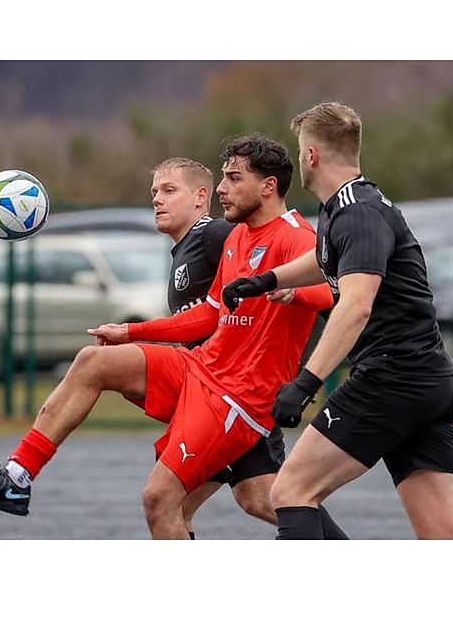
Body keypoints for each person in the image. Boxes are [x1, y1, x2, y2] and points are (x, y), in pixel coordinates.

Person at [0, 134, 339, 539]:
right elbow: (210, 315)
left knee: (184, 499)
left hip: (237, 398)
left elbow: (337, 289)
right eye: (222, 178)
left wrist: (292, 289)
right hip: (202, 372)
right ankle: (16, 476)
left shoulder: (284, 236)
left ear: (267, 186)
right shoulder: (237, 236)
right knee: (93, 362)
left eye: (232, 179)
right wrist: (130, 331)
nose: (223, 188)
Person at [223, 101, 453, 540]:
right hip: (425, 378)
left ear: (311, 155)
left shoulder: (357, 212)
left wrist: (306, 383)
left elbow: (356, 304)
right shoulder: (345, 206)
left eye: (299, 149)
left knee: (290, 490)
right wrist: (265, 279)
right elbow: (326, 257)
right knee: (444, 532)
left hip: (394, 378)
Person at [148, 156, 347, 539]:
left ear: (200, 197)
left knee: (169, 502)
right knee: (258, 496)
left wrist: (306, 298)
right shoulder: (190, 248)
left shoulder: (216, 234)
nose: (157, 199)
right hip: (211, 391)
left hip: (231, 397)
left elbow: (305, 265)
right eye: (154, 191)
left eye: (169, 191)